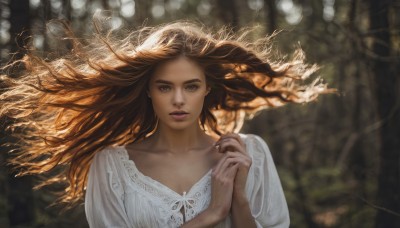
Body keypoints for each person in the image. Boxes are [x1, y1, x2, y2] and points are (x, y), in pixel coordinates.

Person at [0, 15, 334, 228]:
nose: (178, 99)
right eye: (165, 87)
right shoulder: (112, 166)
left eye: (191, 86)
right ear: (148, 91)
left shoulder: (250, 155)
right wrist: (213, 215)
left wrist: (239, 201)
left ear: (207, 89)